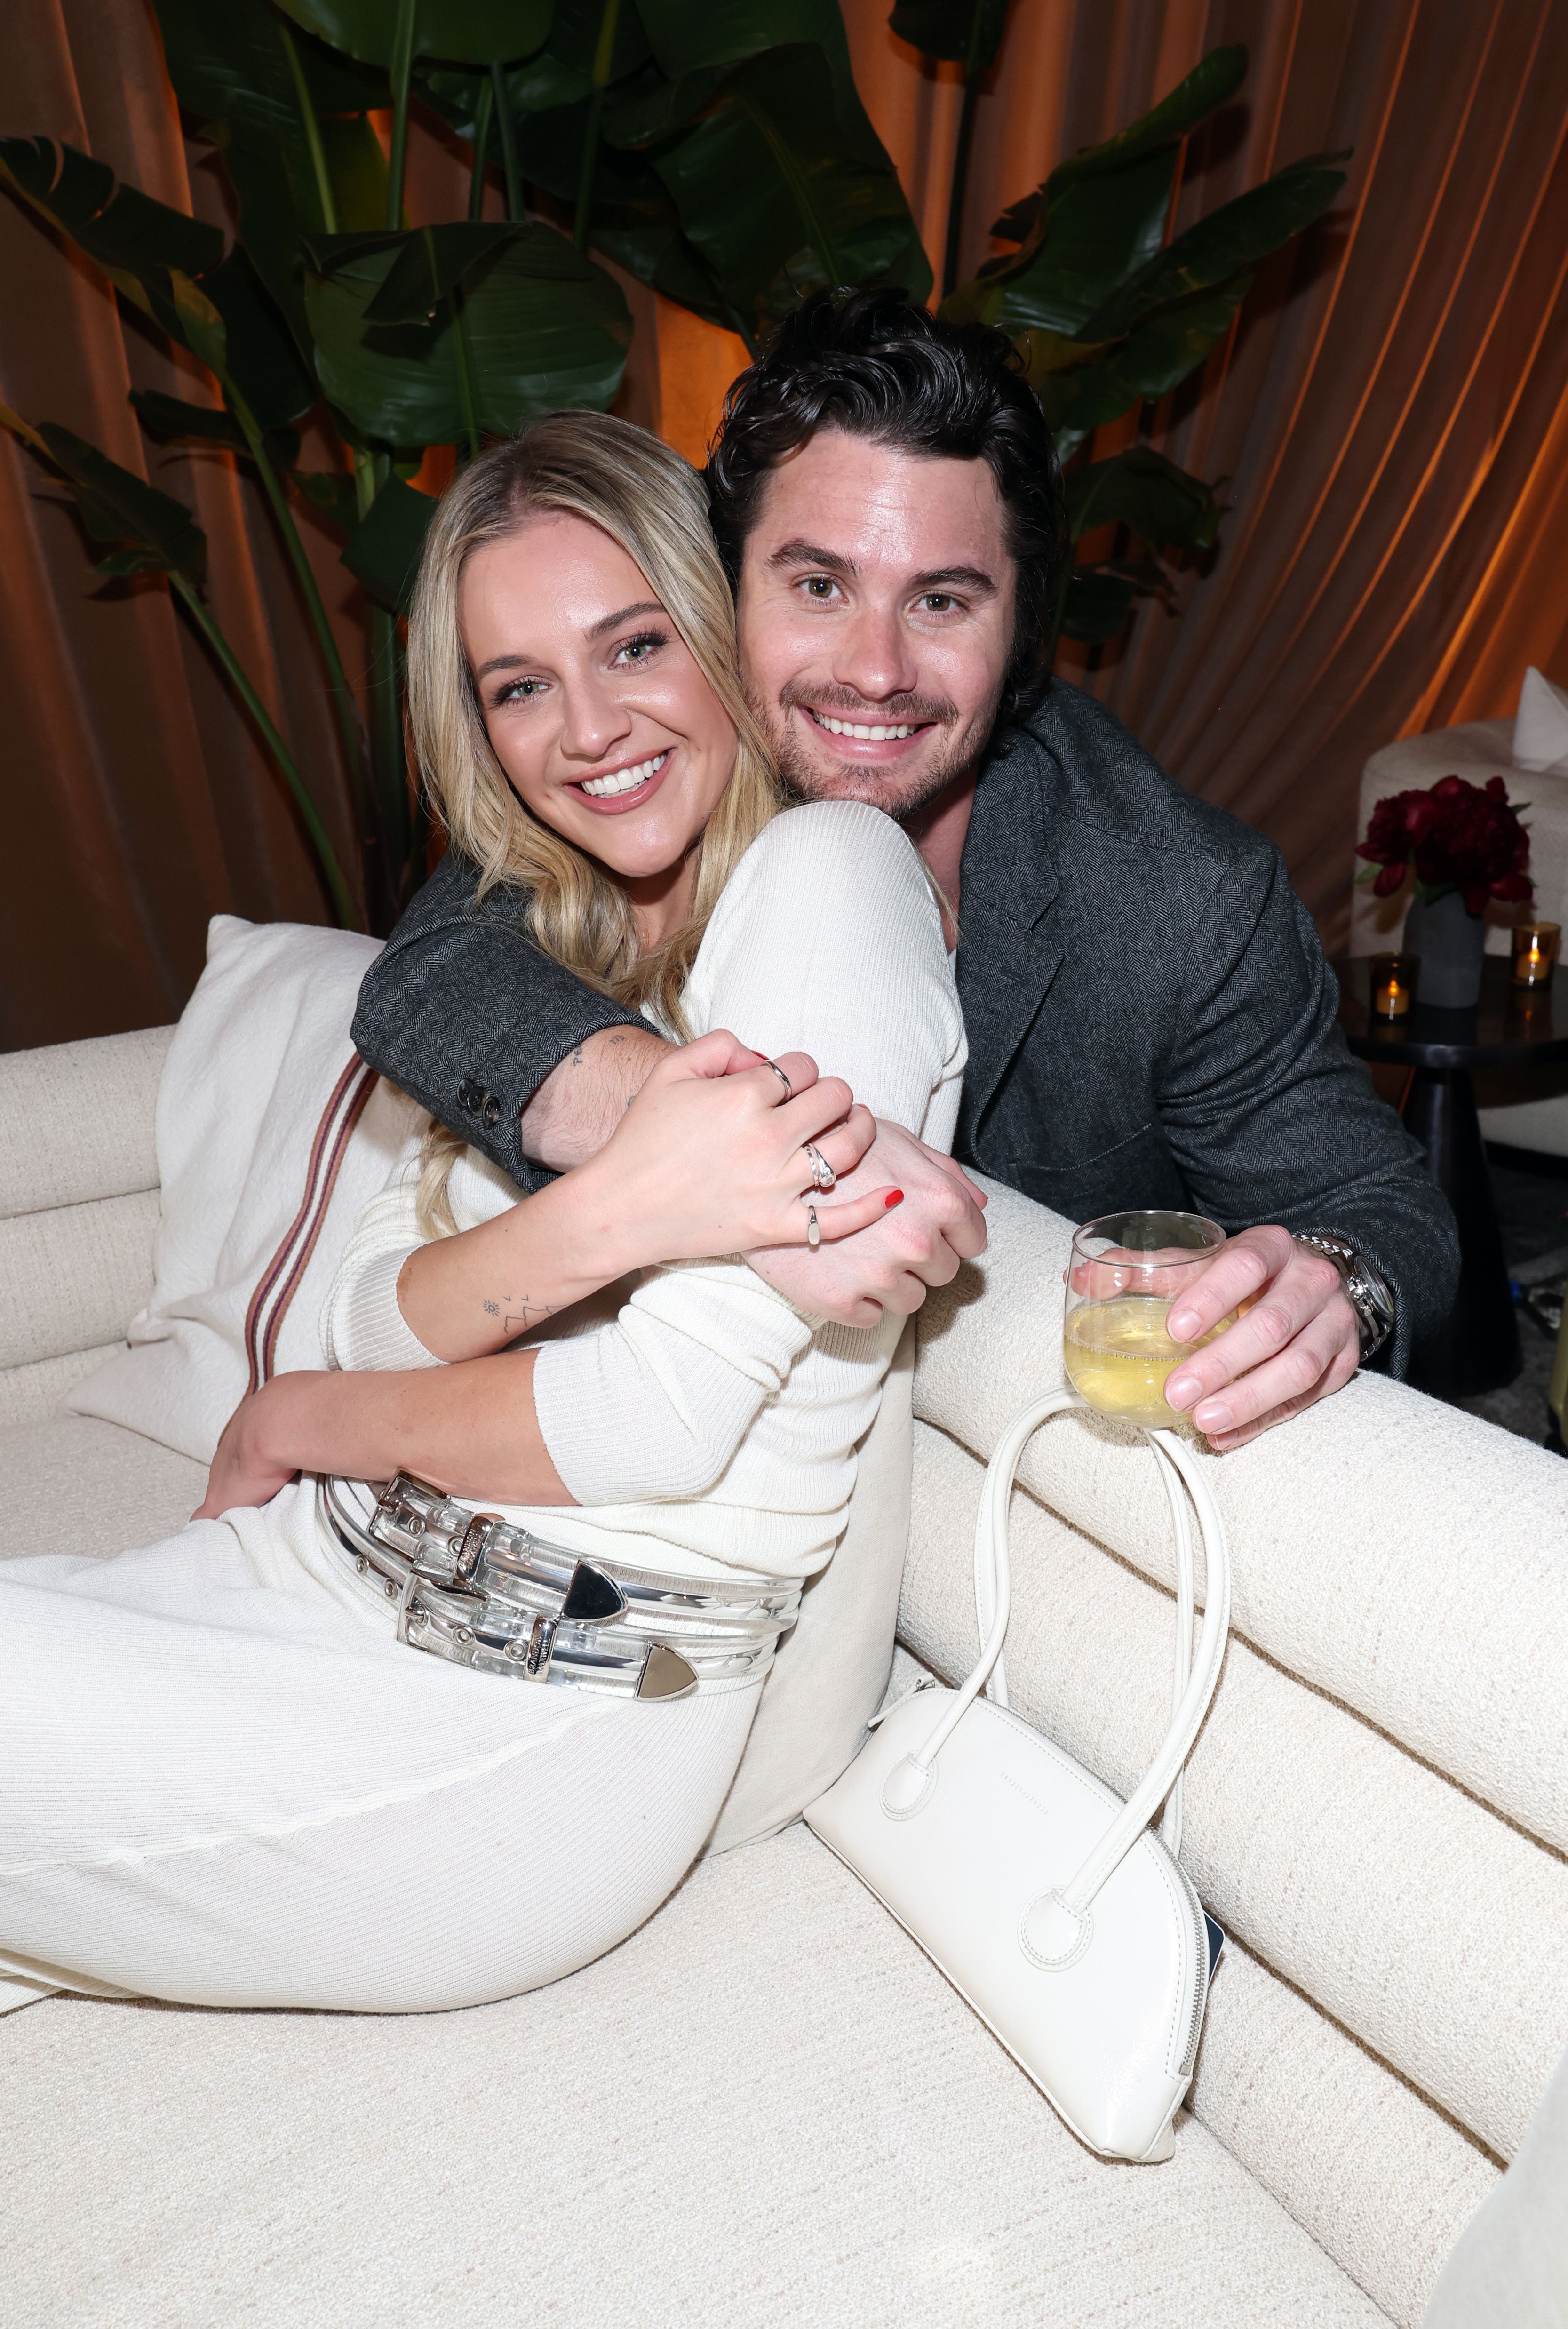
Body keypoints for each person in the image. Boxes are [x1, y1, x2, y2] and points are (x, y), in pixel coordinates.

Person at [0, 416, 965, 2017]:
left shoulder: (831, 879)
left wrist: (311, 1414)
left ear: (721, 635)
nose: (586, 730)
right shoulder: (521, 948)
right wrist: (622, 1210)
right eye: (518, 686)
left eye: (635, 645)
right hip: (314, 1579)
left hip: (529, 1712)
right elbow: (367, 1311)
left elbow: (650, 1417)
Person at [354, 290, 1460, 1453]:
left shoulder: (1178, 898)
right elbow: (431, 969)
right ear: (719, 588)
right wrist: (737, 1135)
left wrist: (1339, 1280)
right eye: (818, 586)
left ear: (1021, 625)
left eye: (939, 601)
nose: (874, 674)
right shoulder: (663, 777)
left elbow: (1384, 1213)